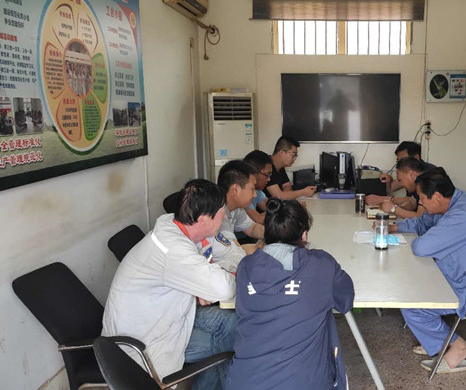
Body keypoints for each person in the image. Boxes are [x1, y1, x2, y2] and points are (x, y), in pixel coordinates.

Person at [102, 179, 238, 390]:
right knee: (235, 342)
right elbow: (225, 288)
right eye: (222, 213)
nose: (225, 217)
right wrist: (211, 282)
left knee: (232, 323)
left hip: (168, 319)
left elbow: (214, 269)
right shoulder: (172, 248)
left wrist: (200, 286)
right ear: (203, 219)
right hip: (144, 346)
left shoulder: (178, 226)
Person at [227, 198, 355, 389]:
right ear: (304, 234)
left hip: (243, 383)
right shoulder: (321, 264)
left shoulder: (246, 267)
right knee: (324, 314)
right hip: (303, 384)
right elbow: (345, 301)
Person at [393, 168, 466, 373]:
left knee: (412, 305)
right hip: (460, 274)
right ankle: (438, 340)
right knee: (410, 287)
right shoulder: (450, 203)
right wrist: (395, 227)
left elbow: (422, 247)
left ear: (437, 196)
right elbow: (423, 222)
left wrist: (420, 236)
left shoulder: (462, 214)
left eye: (422, 198)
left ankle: (458, 346)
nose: (421, 203)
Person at [366, 141, 435, 206]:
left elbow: (415, 201)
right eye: (398, 161)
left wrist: (385, 200)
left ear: (416, 158)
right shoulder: (408, 172)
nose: (400, 165)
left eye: (403, 160)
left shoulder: (429, 174)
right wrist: (389, 181)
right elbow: (391, 189)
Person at [216, 160, 265, 253]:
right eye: (252, 189)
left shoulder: (236, 208)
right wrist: (262, 246)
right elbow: (233, 250)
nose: (255, 195)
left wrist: (276, 233)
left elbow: (253, 228)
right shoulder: (216, 211)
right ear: (235, 190)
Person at [264, 135, 316, 199]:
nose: (295, 158)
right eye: (293, 155)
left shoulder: (280, 166)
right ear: (281, 153)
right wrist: (303, 192)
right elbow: (279, 196)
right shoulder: (266, 166)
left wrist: (286, 197)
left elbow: (287, 185)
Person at [243, 150, 273, 224]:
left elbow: (270, 206)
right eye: (267, 175)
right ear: (254, 173)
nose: (269, 179)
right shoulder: (242, 193)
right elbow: (258, 220)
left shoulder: (257, 190)